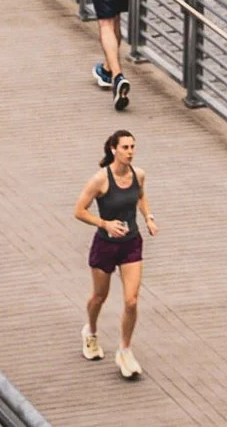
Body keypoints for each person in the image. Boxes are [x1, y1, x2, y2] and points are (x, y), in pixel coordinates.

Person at [74, 126, 153, 378]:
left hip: (131, 243)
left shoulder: (138, 174)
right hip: (105, 245)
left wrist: (148, 217)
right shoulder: (100, 179)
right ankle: (91, 331)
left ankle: (125, 350)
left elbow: (140, 196)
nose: (130, 152)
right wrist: (105, 224)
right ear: (113, 149)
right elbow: (79, 210)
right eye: (125, 148)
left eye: (132, 147)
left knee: (131, 300)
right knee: (99, 296)